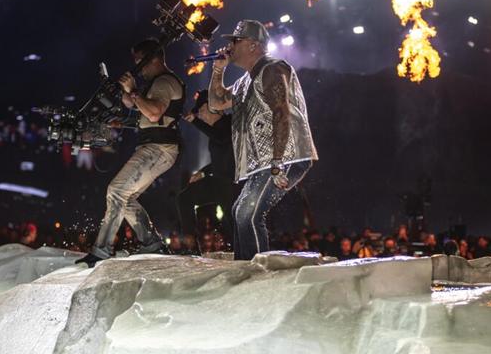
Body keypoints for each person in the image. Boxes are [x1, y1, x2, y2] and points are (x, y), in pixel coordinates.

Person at [208, 19, 318, 260]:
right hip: (265, 161)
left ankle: (258, 272)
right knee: (239, 211)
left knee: (248, 214)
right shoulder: (244, 81)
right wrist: (218, 71)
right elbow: (216, 103)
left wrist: (278, 161)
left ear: (253, 45)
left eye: (236, 41)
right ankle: (245, 266)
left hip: (285, 157)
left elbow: (282, 112)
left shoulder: (272, 68)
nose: (230, 46)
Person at [77, 39, 185, 267]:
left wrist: (134, 91)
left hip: (159, 148)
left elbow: (154, 113)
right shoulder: (156, 83)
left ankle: (101, 252)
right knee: (125, 197)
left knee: (117, 191)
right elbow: (135, 106)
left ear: (153, 59)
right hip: (156, 148)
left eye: (139, 61)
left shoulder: (164, 82)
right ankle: (153, 244)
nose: (138, 67)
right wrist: (126, 98)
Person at [178, 90, 238, 247]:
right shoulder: (214, 132)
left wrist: (194, 121)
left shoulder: (231, 122)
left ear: (215, 108)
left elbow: (222, 138)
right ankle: (190, 244)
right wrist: (203, 172)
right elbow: (219, 161)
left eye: (202, 110)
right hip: (218, 182)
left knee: (232, 224)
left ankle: (244, 252)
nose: (201, 116)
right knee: (185, 197)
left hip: (233, 184)